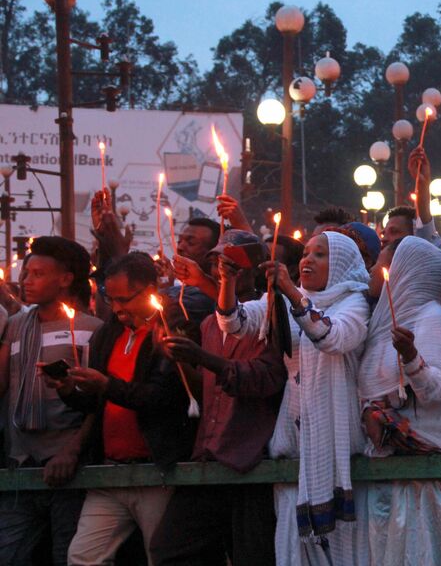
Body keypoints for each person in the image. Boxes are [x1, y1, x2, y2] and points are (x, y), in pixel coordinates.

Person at [217, 231, 370, 565]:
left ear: (341, 264)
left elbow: (332, 337)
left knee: (344, 552)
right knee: (292, 548)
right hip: (293, 446)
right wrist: (227, 280)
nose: (307, 260)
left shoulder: (353, 303)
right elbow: (235, 323)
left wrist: (289, 290)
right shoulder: (288, 299)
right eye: (306, 253)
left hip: (338, 448)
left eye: (320, 254)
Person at [150, 229, 287, 566]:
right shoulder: (212, 324)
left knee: (251, 556)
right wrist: (183, 360)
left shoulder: (267, 313)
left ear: (253, 270)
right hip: (209, 458)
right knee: (171, 549)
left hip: (250, 460)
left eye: (232, 266)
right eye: (217, 265)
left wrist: (204, 358)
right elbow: (208, 391)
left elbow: (266, 378)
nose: (222, 272)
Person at [55, 252, 195, 565]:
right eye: (110, 298)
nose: (116, 308)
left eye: (124, 299)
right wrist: (68, 390)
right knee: (82, 557)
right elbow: (96, 403)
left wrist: (105, 384)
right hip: (110, 474)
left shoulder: (172, 331)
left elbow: (161, 398)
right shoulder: (109, 332)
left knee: (162, 556)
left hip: (155, 471)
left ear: (149, 290)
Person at [359, 235, 441, 565]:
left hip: (431, 476)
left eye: (384, 265)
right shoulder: (380, 326)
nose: (375, 270)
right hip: (388, 475)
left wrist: (411, 358)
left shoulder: (432, 319)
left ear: (407, 272)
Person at [0, 237, 102, 566]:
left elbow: (101, 401)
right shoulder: (15, 327)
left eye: (37, 274)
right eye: (26, 272)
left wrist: (72, 450)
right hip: (21, 461)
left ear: (65, 279)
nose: (26, 281)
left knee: (67, 556)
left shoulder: (92, 330)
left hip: (68, 464)